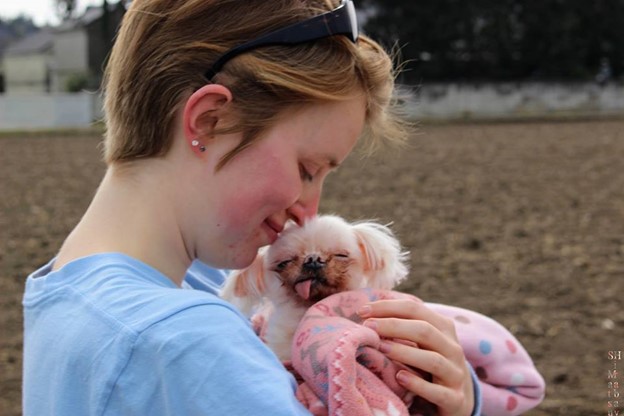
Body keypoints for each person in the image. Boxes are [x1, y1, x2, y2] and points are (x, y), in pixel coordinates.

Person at [22, 0, 481, 414]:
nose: (309, 209)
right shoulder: (185, 342)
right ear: (210, 121)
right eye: (307, 168)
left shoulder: (72, 290)